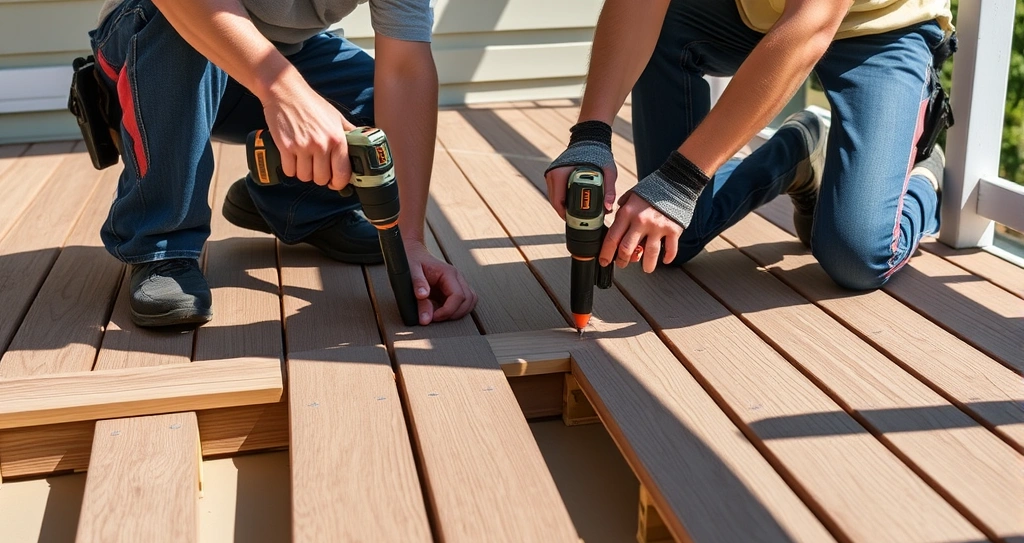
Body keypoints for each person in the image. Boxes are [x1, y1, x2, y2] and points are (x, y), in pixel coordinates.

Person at [88, 0, 477, 327]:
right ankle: (161, 245)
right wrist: (281, 89)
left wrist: (408, 240)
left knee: (371, 108)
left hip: (283, 51)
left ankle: (294, 202)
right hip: (156, 42)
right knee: (177, 26)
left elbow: (404, 72)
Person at [546, 0, 953, 291]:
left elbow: (810, 26)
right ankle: (800, 151)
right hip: (753, 13)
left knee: (857, 258)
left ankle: (925, 175)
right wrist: (590, 136)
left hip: (883, 27)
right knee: (673, 241)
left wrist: (679, 181)